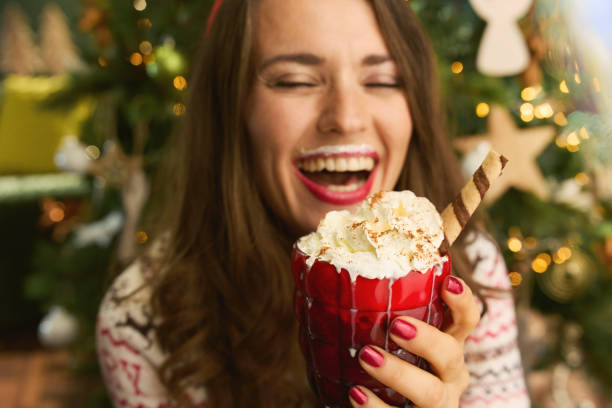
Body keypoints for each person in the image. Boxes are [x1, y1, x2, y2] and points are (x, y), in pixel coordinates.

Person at [96, 0, 530, 407]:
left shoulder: (469, 276)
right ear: (231, 108)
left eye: (381, 80)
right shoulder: (142, 317)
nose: (346, 118)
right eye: (295, 81)